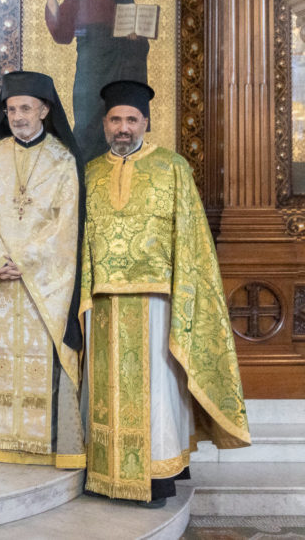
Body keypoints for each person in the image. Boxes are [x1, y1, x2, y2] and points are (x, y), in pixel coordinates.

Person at [81, 80, 250, 505]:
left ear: (146, 123)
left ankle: (157, 476)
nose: (123, 128)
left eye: (131, 120)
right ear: (105, 124)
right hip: (101, 302)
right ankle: (104, 472)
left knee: (156, 390)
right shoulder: (90, 171)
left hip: (156, 301)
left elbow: (191, 236)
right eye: (116, 119)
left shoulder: (172, 166)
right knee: (101, 391)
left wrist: (185, 295)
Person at [0, 70, 85, 469]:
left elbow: (67, 223)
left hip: (43, 284)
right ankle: (0, 439)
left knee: (41, 360)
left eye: (25, 108)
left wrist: (26, 261)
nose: (18, 116)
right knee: (2, 358)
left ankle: (46, 443)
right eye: (10, 109)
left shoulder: (62, 159)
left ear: (44, 109)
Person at [45, 0, 150, 159]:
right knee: (85, 120)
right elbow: (60, 30)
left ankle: (116, 161)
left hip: (117, 67)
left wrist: (135, 37)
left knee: (114, 113)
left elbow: (135, 33)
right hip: (89, 67)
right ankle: (84, 166)